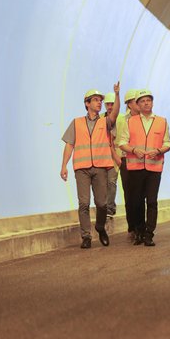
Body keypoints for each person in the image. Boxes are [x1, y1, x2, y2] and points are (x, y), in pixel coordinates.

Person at [60, 83, 120, 248]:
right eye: (95, 100)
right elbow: (69, 145)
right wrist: (63, 166)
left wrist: (117, 95)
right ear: (87, 103)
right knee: (84, 203)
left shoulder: (105, 122)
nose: (99, 103)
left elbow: (114, 113)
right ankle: (86, 236)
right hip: (82, 168)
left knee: (102, 203)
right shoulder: (77, 122)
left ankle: (100, 227)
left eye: (100, 100)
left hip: (100, 168)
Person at [119, 89, 170, 246]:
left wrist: (159, 151)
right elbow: (122, 142)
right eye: (142, 101)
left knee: (152, 201)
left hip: (154, 167)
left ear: (152, 102)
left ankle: (149, 233)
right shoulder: (130, 122)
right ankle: (139, 232)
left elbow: (168, 143)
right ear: (137, 105)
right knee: (137, 201)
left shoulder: (162, 121)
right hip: (135, 167)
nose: (146, 103)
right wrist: (134, 150)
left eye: (148, 100)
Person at [115, 89, 140, 241]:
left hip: (142, 160)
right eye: (137, 101)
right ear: (130, 104)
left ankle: (141, 227)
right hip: (126, 160)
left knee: (141, 195)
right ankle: (132, 227)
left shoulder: (147, 119)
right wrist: (117, 158)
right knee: (130, 195)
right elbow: (114, 139)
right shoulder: (121, 120)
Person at [103, 92, 121, 221]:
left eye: (112, 104)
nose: (110, 106)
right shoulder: (100, 119)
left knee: (111, 182)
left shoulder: (121, 119)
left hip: (117, 154)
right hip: (103, 155)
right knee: (104, 183)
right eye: (108, 104)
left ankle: (109, 209)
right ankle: (109, 206)